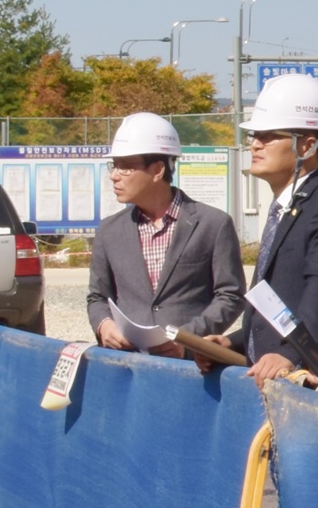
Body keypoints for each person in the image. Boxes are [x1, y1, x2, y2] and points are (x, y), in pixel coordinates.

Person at [236, 72, 318, 383]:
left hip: (312, 384)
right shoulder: (286, 208)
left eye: (268, 135)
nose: (255, 144)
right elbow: (277, 311)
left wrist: (291, 354)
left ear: (307, 145)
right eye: (254, 135)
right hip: (275, 380)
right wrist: (230, 343)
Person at [87, 112, 243, 354]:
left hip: (190, 366)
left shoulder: (214, 224)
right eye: (114, 165)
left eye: (126, 167)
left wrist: (187, 339)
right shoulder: (109, 231)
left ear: (158, 169)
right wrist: (104, 325)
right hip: (129, 364)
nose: (114, 175)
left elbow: (230, 295)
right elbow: (97, 297)